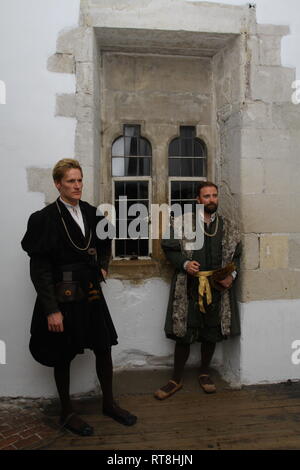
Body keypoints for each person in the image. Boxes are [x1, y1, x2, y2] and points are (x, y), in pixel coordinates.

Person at [21, 159, 137, 436]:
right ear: (58, 184)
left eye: (80, 180)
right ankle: (67, 411)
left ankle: (109, 403)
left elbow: (105, 240)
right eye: (71, 181)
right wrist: (51, 310)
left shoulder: (92, 213)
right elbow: (39, 270)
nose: (77, 185)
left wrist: (103, 263)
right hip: (62, 295)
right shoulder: (44, 218)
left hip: (90, 290)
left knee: (104, 346)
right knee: (63, 353)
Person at [154, 182, 241, 399]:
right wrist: (184, 264)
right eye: (206, 196)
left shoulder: (228, 227)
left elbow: (236, 256)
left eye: (214, 196)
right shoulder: (182, 222)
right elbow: (169, 247)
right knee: (184, 333)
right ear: (198, 200)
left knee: (211, 332)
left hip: (216, 287)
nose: (211, 200)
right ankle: (176, 379)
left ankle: (204, 373)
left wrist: (232, 276)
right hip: (190, 287)